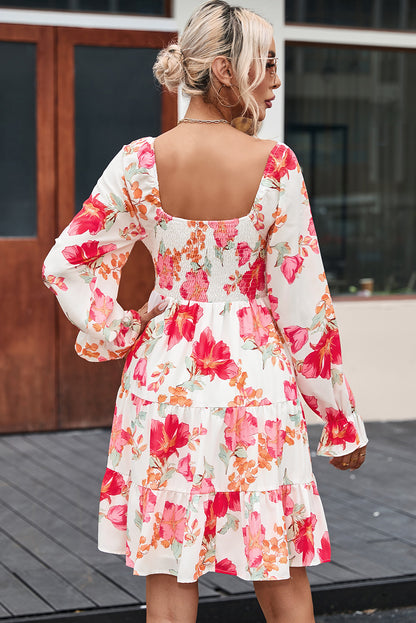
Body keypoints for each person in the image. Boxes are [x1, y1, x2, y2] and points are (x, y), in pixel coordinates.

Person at [42, 2, 368, 622]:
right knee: (279, 569)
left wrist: (123, 326)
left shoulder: (138, 161)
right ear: (224, 70)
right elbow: (305, 311)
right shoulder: (275, 167)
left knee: (168, 573)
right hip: (257, 387)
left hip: (162, 385)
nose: (275, 82)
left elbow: (67, 263)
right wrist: (339, 418)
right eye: (267, 65)